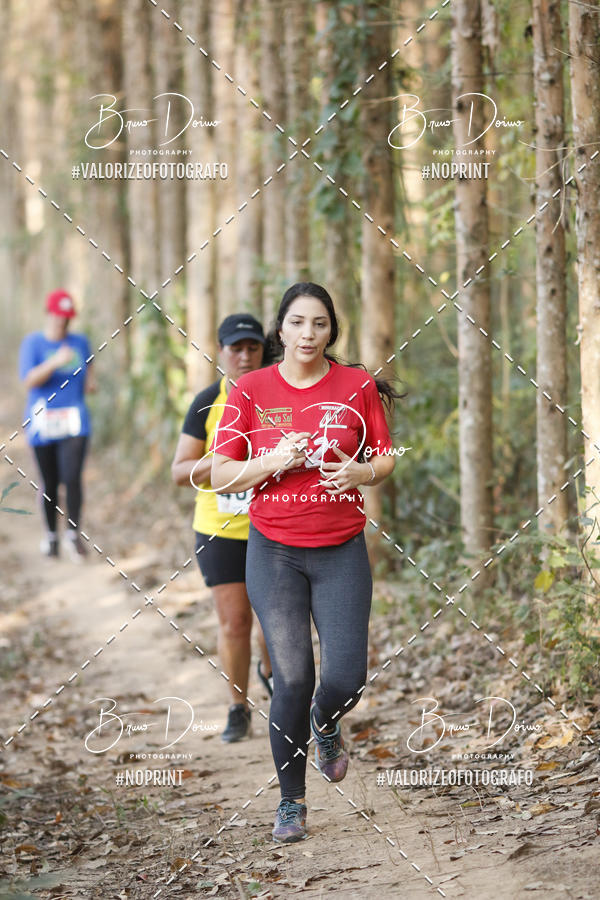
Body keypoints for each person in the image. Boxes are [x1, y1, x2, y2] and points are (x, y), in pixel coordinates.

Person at [211, 283, 397, 842]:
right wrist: (268, 460)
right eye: (297, 323)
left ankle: (326, 719)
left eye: (319, 324)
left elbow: (384, 456)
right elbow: (218, 473)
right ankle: (291, 801)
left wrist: (363, 473)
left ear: (331, 330)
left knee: (346, 676)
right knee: (292, 677)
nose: (308, 335)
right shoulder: (249, 390)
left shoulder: (355, 386)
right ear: (280, 330)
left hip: (341, 548)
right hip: (274, 552)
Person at [171, 313, 274, 744]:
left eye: (253, 348)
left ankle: (278, 682)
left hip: (275, 526)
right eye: (237, 349)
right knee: (235, 623)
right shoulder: (205, 403)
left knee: (276, 624)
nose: (245, 357)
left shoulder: (280, 398)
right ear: (221, 352)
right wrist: (225, 465)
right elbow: (179, 471)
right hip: (219, 529)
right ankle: (238, 707)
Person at [19, 289, 96, 560]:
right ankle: (51, 536)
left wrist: (90, 382)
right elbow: (29, 380)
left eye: (67, 318)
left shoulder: (80, 342)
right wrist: (54, 362)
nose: (62, 323)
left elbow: (89, 367)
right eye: (58, 317)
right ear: (48, 313)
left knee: (72, 478)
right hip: (42, 421)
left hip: (74, 420)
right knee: (49, 481)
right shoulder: (33, 343)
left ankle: (73, 536)